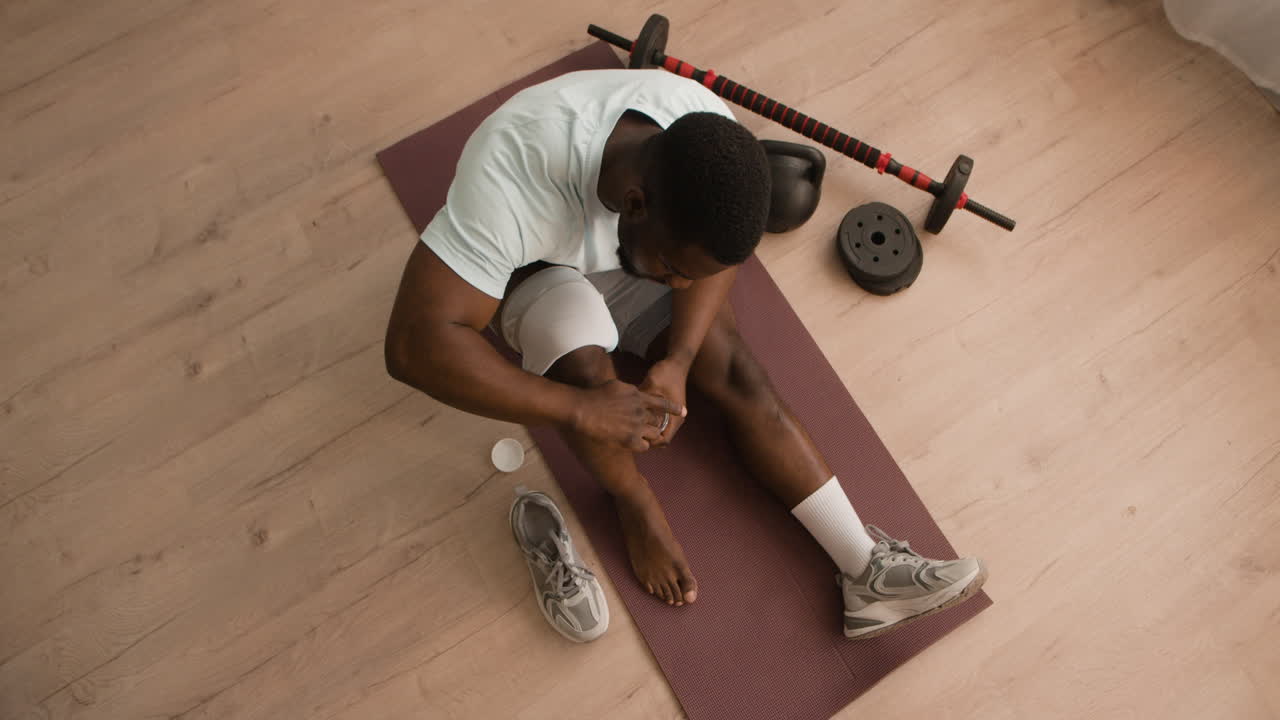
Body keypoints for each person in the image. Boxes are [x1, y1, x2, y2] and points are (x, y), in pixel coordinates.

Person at [384, 68, 987, 640]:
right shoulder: (512, 180)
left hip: (632, 244)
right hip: (534, 262)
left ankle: (867, 572)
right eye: (673, 271)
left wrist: (678, 356)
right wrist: (575, 409)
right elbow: (415, 345)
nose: (675, 288)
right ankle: (633, 501)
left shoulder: (703, 127)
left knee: (731, 368)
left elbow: (712, 267)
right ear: (635, 202)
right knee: (591, 379)